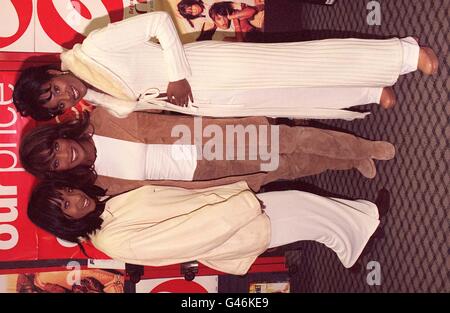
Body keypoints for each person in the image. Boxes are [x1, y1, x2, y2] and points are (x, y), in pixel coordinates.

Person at [12, 12, 438, 121]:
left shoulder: (96, 47)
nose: (62, 98)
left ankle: (401, 53)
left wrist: (177, 74)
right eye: (54, 106)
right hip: (206, 102)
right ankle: (369, 90)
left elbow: (160, 23)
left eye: (53, 90)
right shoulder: (92, 93)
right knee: (291, 97)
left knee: (304, 61)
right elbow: (135, 104)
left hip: (207, 70)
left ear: (52, 73)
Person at [27, 180, 387, 275]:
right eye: (66, 206)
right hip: (237, 226)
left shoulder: (106, 213)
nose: (75, 199)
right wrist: (243, 206)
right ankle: (360, 230)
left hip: (235, 216)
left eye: (68, 192)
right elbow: (187, 236)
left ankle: (357, 234)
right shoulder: (112, 239)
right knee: (305, 208)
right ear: (65, 222)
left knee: (309, 213)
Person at [19, 109, 395, 194]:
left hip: (206, 136)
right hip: (202, 176)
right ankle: (350, 160)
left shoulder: (103, 117)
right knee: (288, 168)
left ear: (57, 135)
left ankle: (365, 147)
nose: (62, 155)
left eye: (54, 148)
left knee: (289, 140)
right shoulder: (100, 183)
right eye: (53, 163)